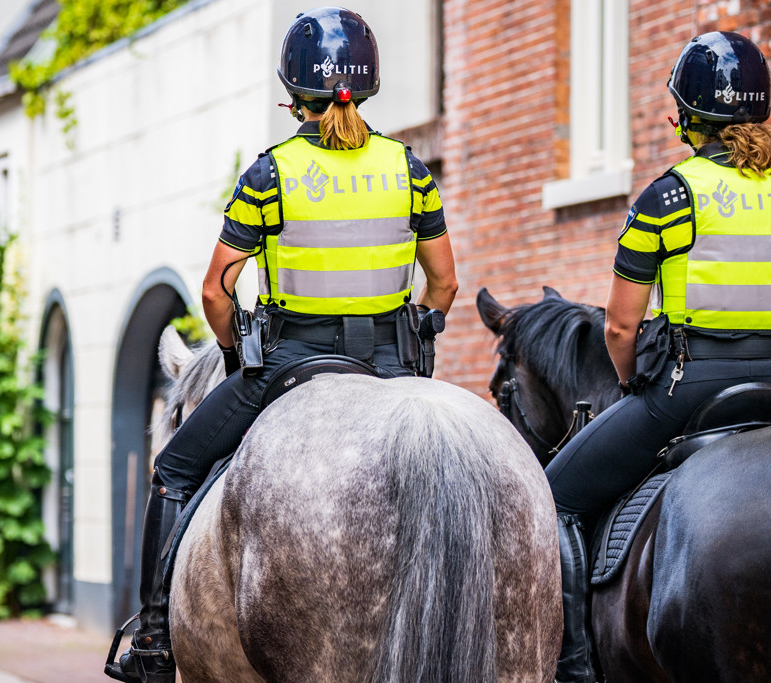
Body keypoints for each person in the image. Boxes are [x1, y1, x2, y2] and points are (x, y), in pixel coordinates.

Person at [104, 7, 457, 683]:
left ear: (293, 96)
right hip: (388, 363)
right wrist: (413, 341)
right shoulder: (410, 170)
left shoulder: (271, 174)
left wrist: (239, 356)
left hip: (293, 362)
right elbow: (444, 283)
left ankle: (152, 640)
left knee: (175, 469)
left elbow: (215, 290)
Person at [545, 31, 771, 683]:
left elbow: (621, 326)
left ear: (688, 117)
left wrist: (631, 385)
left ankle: (573, 668)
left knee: (555, 497)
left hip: (691, 387)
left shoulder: (669, 197)